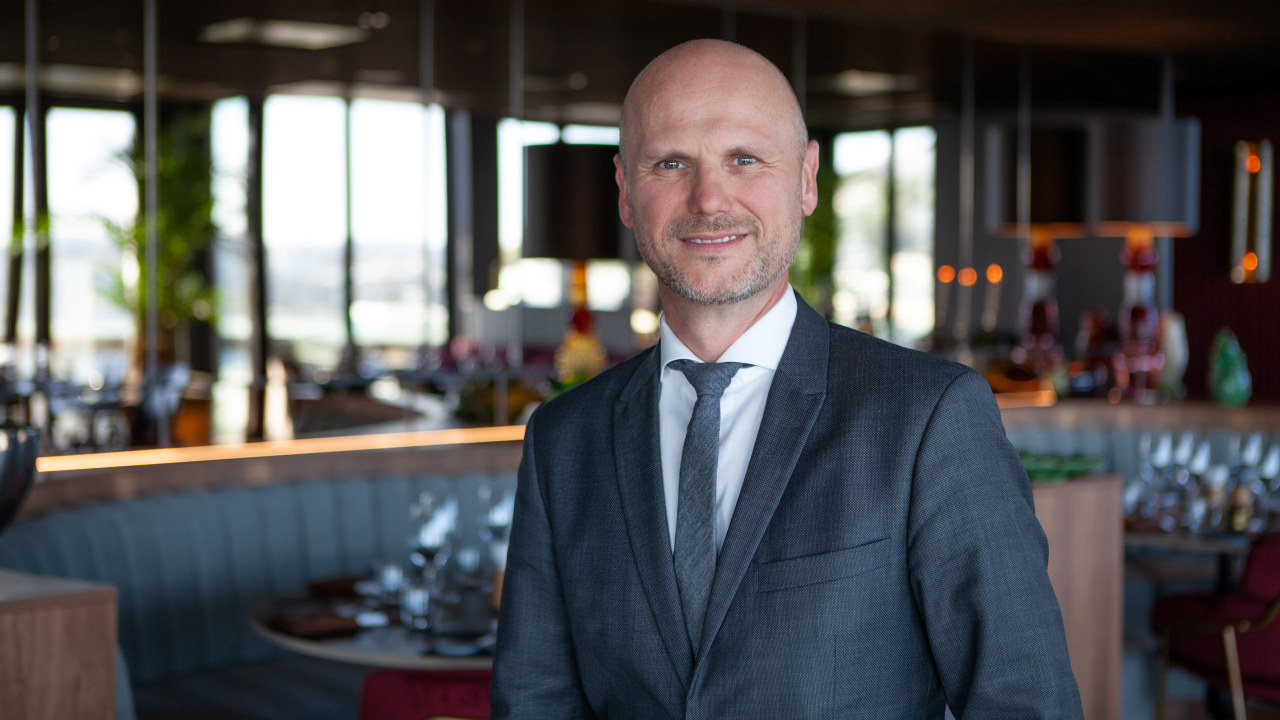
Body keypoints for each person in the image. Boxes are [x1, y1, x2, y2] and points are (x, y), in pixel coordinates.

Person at [491, 38, 1082, 719]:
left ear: (806, 179)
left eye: (744, 159)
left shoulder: (929, 417)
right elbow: (533, 703)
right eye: (670, 162)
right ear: (625, 191)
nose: (709, 198)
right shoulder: (563, 441)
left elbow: (1026, 704)